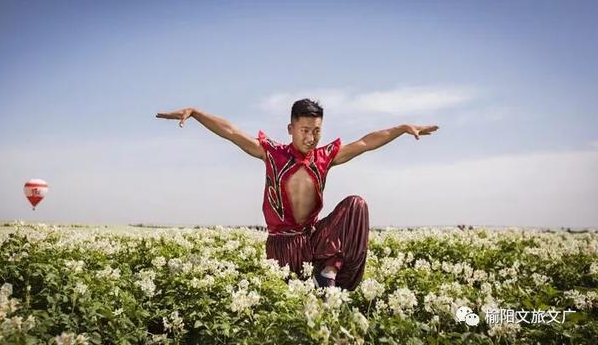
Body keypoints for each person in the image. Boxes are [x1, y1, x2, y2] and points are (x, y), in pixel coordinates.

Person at [156, 99, 438, 290]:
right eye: (305, 130)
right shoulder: (272, 154)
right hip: (281, 246)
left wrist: (401, 129)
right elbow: (231, 132)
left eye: (317, 131)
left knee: (356, 205)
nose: (311, 137)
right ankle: (317, 283)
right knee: (292, 300)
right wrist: (195, 112)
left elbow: (365, 142)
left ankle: (329, 271)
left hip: (312, 240)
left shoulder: (325, 157)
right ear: (291, 129)